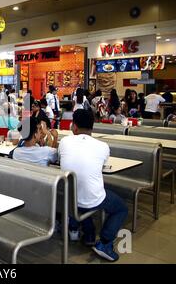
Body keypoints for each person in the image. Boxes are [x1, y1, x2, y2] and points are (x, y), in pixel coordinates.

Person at [58, 109, 128, 262]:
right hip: (91, 198)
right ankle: (104, 242)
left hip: (67, 199)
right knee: (121, 208)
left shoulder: (64, 142)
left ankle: (76, 229)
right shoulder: (103, 146)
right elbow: (100, 167)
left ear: (74, 126)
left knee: (82, 195)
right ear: (92, 126)